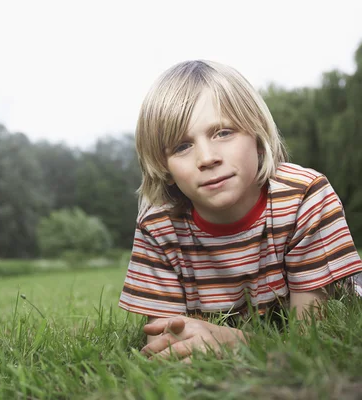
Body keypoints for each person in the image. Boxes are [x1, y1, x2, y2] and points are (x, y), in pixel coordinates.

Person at [119, 60, 362, 361]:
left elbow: (312, 338)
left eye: (223, 133)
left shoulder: (304, 197)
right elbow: (166, 340)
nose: (207, 158)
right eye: (182, 146)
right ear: (165, 167)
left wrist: (233, 342)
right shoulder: (157, 225)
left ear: (257, 138)